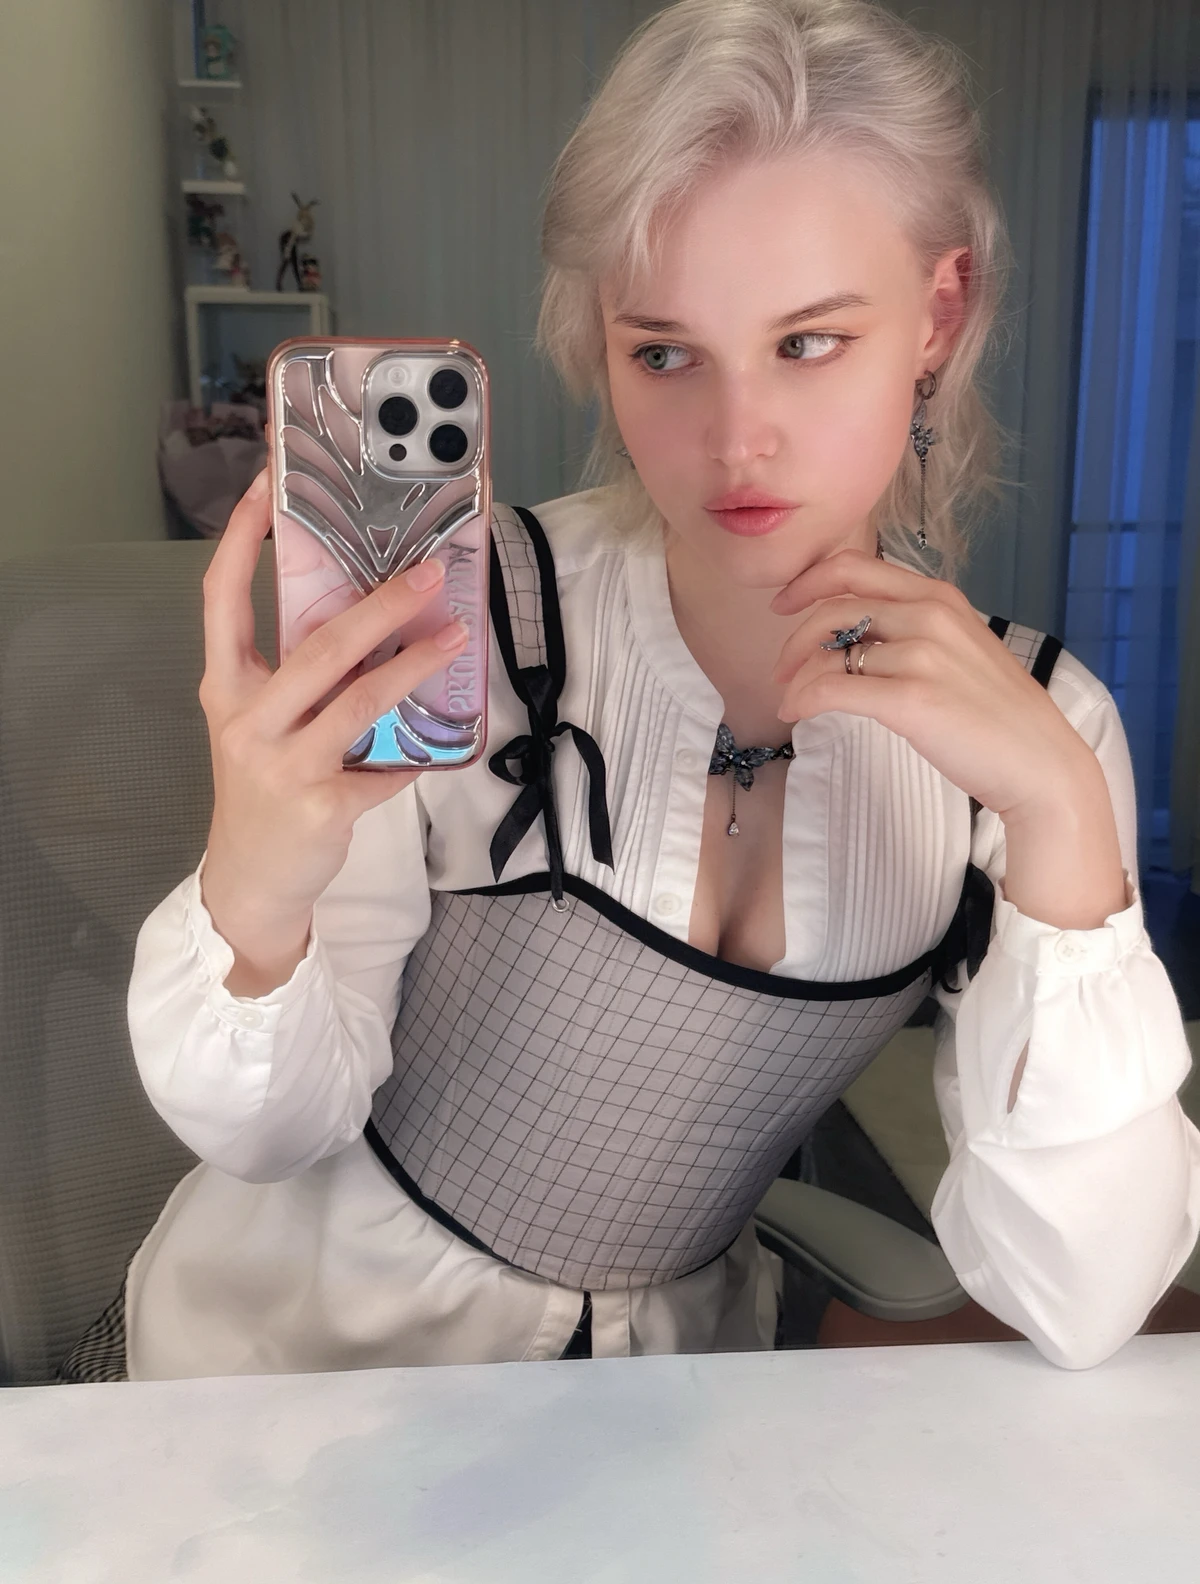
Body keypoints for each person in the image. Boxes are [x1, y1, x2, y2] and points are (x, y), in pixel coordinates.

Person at [62, 0, 1200, 1383]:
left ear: (937, 316)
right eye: (664, 352)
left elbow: (1082, 1299)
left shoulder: (1043, 730)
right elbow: (265, 1133)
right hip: (290, 1383)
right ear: (601, 344)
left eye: (810, 342)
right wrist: (255, 879)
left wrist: (1064, 829)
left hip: (660, 1416)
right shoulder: (449, 626)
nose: (735, 439)